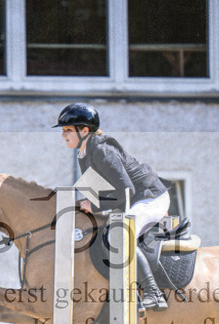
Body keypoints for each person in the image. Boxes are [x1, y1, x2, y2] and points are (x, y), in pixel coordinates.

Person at [53, 102, 170, 311]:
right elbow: (100, 190)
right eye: (63, 131)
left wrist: (95, 205)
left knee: (121, 236)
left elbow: (126, 191)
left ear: (84, 130)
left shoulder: (102, 150)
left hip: (149, 197)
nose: (63, 135)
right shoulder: (83, 154)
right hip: (131, 199)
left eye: (68, 130)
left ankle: (153, 292)